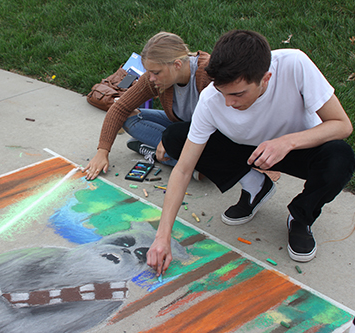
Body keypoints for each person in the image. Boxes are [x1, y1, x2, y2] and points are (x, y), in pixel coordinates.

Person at [147, 30, 355, 275]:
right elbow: (182, 170)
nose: (228, 103)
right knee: (175, 137)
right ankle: (256, 186)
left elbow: (342, 125)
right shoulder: (211, 99)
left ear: (265, 79)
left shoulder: (294, 64)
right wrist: (162, 237)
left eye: (237, 94)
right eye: (222, 93)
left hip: (298, 147)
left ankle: (301, 216)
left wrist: (287, 142)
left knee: (340, 158)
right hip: (245, 149)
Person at [83, 31, 211, 180]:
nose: (151, 78)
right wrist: (102, 151)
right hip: (181, 125)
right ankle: (175, 157)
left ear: (177, 64)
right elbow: (120, 108)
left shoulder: (207, 74)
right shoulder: (155, 78)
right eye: (149, 72)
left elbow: (216, 125)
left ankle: (165, 154)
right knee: (129, 117)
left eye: (156, 72)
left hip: (207, 135)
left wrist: (171, 139)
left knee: (204, 151)